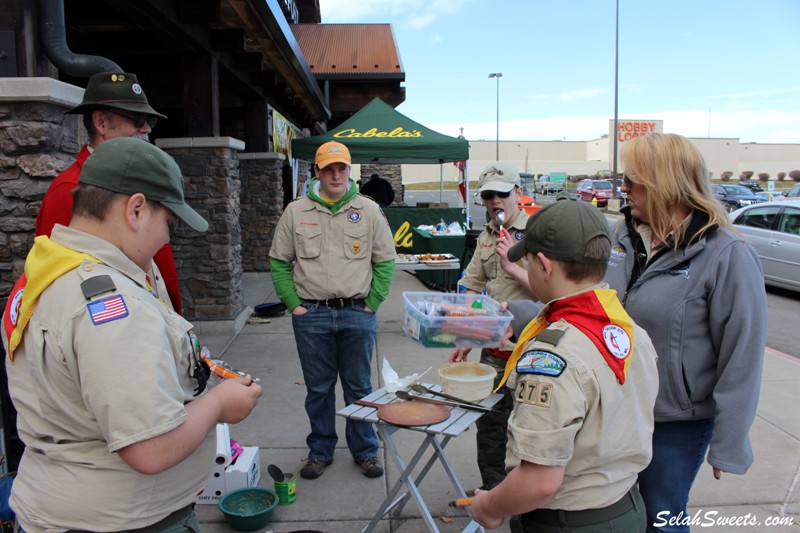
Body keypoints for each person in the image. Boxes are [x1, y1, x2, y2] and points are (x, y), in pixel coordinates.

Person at [1, 137, 262, 532]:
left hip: (60, 505)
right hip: (121, 521)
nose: (166, 239)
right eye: (168, 223)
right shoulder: (112, 307)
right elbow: (150, 449)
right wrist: (219, 404)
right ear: (136, 209)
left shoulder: (48, 267)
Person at [605, 133, 767, 533]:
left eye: (632, 180)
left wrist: (729, 443)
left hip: (674, 424)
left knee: (661, 519)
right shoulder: (620, 237)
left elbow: (742, 353)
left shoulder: (726, 253)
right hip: (614, 410)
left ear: (667, 183)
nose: (622, 189)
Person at [469, 200, 659, 532]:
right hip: (627, 506)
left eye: (527, 261)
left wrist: (489, 505)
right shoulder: (628, 330)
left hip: (569, 520)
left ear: (544, 266)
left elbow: (539, 480)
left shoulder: (551, 358)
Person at [269, 141, 396, 480]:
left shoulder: (368, 210)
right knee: (319, 388)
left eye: (341, 168)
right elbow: (279, 261)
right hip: (311, 315)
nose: (336, 175)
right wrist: (292, 305)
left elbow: (385, 260)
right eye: (329, 169)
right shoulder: (295, 212)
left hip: (357, 312)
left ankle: (366, 450)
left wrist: (373, 303)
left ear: (349, 170)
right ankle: (321, 451)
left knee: (359, 387)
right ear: (317, 172)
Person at [35, 71, 184, 314]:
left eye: (149, 120)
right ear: (101, 123)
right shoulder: (68, 190)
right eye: (137, 120)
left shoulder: (137, 176)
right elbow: (57, 285)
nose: (146, 128)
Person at [450, 163, 534, 491]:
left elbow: (555, 290)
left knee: (531, 427)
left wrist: (512, 267)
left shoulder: (537, 232)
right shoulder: (487, 236)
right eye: (489, 195)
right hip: (495, 348)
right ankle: (494, 491)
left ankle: (527, 495)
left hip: (532, 349)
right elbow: (472, 285)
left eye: (503, 193)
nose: (496, 200)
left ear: (517, 194)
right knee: (489, 424)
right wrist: (466, 334)